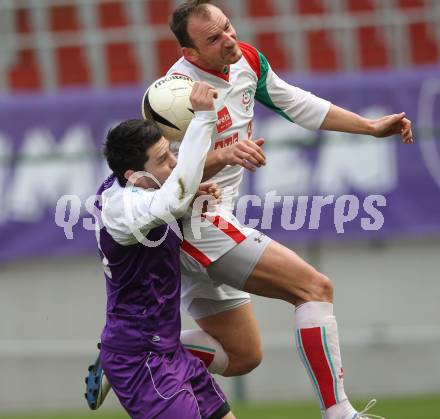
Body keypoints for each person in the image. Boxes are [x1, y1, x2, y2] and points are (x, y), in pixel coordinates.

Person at [86, 2, 413, 418]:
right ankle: (341, 412)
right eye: (213, 38)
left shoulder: (247, 62)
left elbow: (298, 103)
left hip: (220, 221)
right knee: (314, 288)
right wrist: (222, 154)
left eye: (227, 27)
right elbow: (160, 175)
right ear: (190, 53)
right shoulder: (173, 93)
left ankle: (125, 355)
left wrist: (368, 127)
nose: (229, 39)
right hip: (197, 224)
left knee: (242, 356)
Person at [89, 81, 236, 419]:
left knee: (245, 359)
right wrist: (202, 120)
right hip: (140, 359)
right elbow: (168, 200)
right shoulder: (122, 207)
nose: (173, 162)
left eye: (172, 151)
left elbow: (166, 199)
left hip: (168, 349)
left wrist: (189, 195)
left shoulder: (128, 187)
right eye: (163, 159)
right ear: (134, 175)